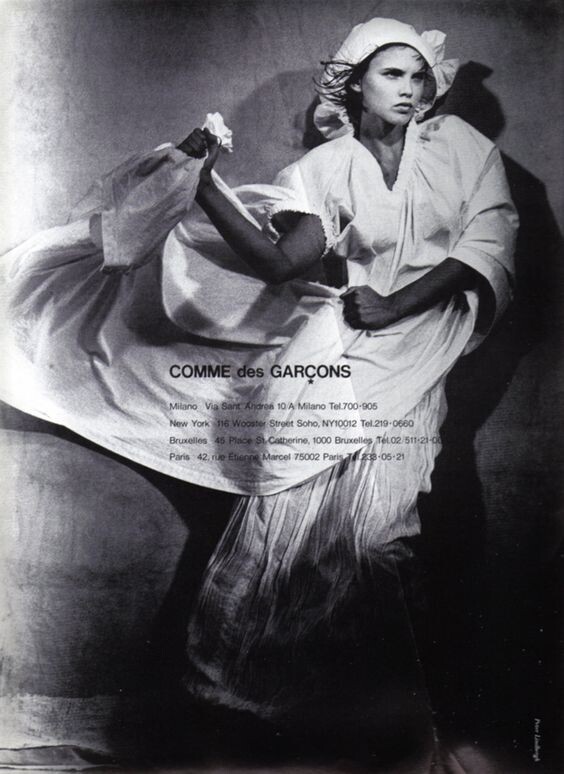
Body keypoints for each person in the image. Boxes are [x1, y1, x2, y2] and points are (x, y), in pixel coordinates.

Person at [0, 16, 517, 770]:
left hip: (414, 354)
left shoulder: (465, 149)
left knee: (382, 539)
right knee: (289, 533)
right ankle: (249, 724)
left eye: (419, 75)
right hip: (342, 356)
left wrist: (397, 304)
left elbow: (483, 249)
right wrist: (203, 184)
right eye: (392, 74)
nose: (412, 88)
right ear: (354, 85)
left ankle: (406, 738)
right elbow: (282, 263)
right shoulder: (322, 168)